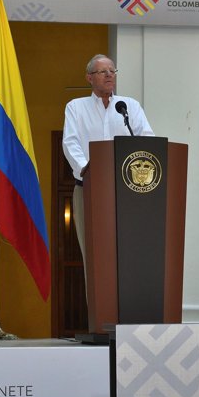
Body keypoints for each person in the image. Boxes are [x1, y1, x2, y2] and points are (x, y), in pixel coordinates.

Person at [62, 54, 155, 266]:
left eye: (112, 71)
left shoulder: (129, 106)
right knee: (93, 255)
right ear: (89, 78)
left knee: (126, 252)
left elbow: (147, 139)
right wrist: (88, 171)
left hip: (126, 191)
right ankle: (96, 300)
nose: (109, 75)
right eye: (102, 71)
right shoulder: (76, 107)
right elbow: (70, 143)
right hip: (88, 189)